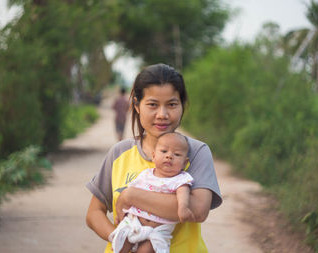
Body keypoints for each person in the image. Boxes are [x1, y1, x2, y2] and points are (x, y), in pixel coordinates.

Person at [86, 63, 222, 253]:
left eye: (172, 104)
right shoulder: (119, 153)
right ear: (136, 105)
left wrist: (131, 196)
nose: (162, 115)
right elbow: (94, 213)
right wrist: (120, 238)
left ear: (183, 105)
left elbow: (197, 210)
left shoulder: (196, 152)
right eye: (152, 104)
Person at [109, 132, 194, 253]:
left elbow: (183, 193)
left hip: (156, 231)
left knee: (147, 250)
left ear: (185, 163)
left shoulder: (180, 179)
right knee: (120, 245)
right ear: (154, 156)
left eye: (177, 154)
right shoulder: (146, 174)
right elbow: (129, 193)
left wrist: (183, 207)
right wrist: (120, 211)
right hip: (134, 223)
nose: (169, 156)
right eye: (164, 151)